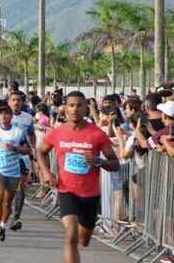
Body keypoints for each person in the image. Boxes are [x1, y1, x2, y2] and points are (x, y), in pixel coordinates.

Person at [36, 91, 120, 263]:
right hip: (67, 191)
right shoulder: (57, 132)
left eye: (79, 105)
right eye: (71, 105)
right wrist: (46, 172)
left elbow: (115, 163)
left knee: (84, 239)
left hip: (90, 194)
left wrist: (97, 161)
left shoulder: (97, 134)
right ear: (65, 108)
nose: (75, 109)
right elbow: (40, 151)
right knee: (71, 235)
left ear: (86, 109)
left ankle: (86, 230)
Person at [0, 105, 30, 242]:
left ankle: (3, 225)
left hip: (12, 171)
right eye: (1, 114)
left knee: (7, 203)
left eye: (7, 114)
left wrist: (15, 148)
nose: (4, 116)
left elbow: (28, 150)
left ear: (11, 116)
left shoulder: (18, 132)